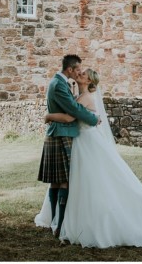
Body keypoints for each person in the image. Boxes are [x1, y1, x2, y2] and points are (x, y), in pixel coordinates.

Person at [34, 68, 142, 248]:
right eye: (80, 72)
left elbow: (72, 117)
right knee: (77, 179)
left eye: (84, 74)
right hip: (79, 141)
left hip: (87, 142)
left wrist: (49, 116)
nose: (80, 74)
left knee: (90, 180)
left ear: (89, 81)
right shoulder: (79, 95)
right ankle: (64, 218)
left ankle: (85, 220)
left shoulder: (86, 98)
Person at [37, 54, 100, 239]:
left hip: (64, 134)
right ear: (70, 70)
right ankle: (58, 223)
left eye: (82, 71)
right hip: (62, 134)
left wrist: (49, 117)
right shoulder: (59, 85)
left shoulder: (63, 84)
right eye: (78, 69)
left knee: (59, 180)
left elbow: (72, 110)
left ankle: (57, 222)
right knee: (61, 180)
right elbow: (73, 112)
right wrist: (94, 119)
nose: (80, 72)